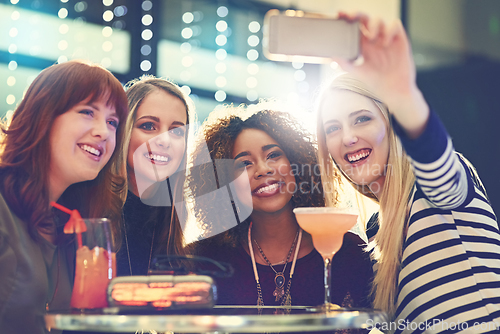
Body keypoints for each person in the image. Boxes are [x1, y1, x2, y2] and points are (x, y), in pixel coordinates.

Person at [316, 13, 500, 333]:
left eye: (361, 119)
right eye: (333, 128)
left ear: (391, 123)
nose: (347, 137)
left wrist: (401, 93)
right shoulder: (375, 232)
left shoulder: (431, 190)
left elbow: (431, 152)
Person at [186, 106, 373, 313]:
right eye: (244, 164)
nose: (264, 169)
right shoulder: (202, 259)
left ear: (296, 162)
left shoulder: (349, 252)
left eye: (274, 155)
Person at [0, 60, 128, 333]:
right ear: (42, 115)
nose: (103, 132)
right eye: (86, 112)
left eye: (112, 122)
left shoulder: (75, 225)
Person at [115, 76, 194, 276]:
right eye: (149, 126)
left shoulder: (175, 220)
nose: (164, 141)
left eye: (177, 131)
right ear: (123, 131)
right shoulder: (90, 208)